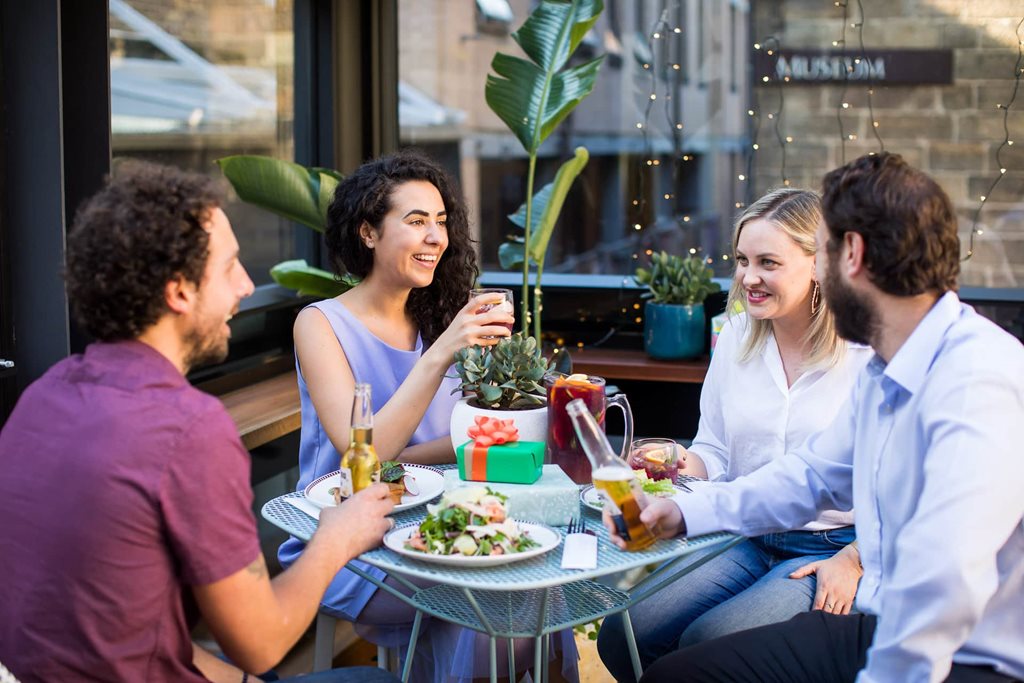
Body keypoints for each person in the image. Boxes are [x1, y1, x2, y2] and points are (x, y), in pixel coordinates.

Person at [622, 152, 1024, 683]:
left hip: (969, 656)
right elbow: (811, 476)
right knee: (673, 667)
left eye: (822, 251)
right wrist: (683, 515)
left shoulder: (976, 379)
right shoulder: (890, 364)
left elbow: (945, 586)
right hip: (885, 620)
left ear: (848, 255)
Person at [0, 162, 399, 683]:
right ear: (180, 292)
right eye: (230, 266)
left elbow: (125, 631)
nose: (246, 285)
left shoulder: (42, 397)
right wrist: (337, 538)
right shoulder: (186, 429)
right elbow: (260, 644)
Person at [277, 149, 577, 682]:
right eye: (416, 221)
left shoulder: (441, 313)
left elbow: (444, 448)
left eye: (441, 222)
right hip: (348, 542)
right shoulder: (319, 324)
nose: (436, 236)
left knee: (535, 574)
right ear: (368, 233)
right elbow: (359, 453)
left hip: (444, 522)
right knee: (487, 589)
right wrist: (441, 355)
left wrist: (523, 417)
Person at [598, 188, 872, 681]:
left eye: (768, 262)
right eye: (742, 260)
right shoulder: (735, 337)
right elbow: (717, 448)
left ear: (819, 265)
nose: (749, 277)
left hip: (830, 546)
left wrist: (855, 559)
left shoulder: (864, 354)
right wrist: (684, 462)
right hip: (743, 532)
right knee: (626, 633)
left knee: (711, 644)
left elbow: (895, 484)